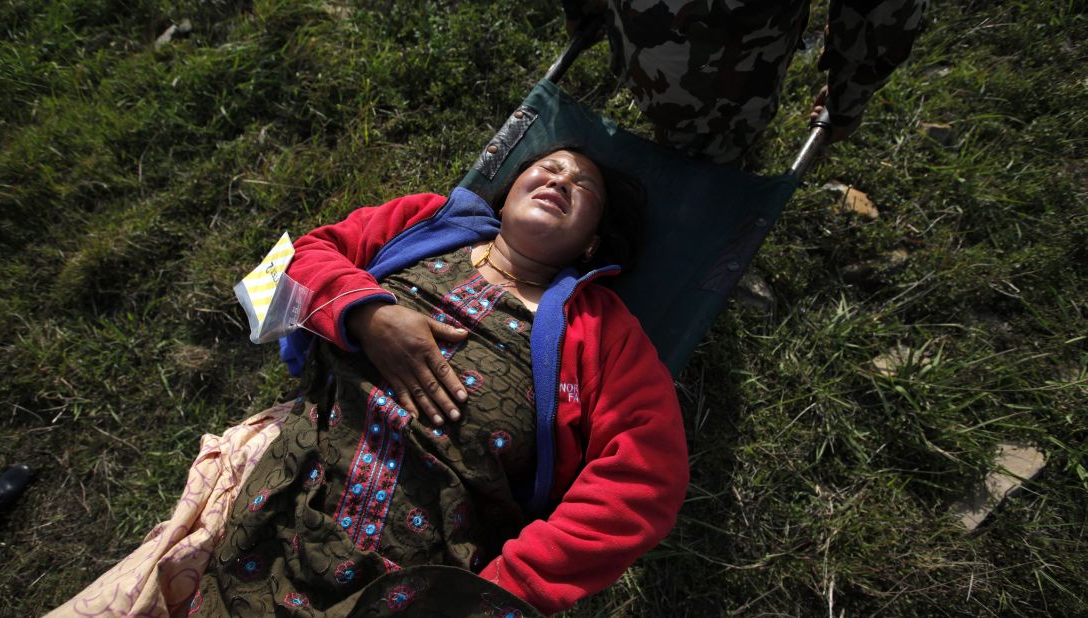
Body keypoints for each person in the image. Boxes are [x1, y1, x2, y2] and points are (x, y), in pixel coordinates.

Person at [50, 148, 688, 617]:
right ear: (508, 190)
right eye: (549, 166)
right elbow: (288, 265)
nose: (561, 178)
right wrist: (368, 314)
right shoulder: (429, 224)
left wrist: (512, 584)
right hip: (288, 493)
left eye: (584, 187)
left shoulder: (601, 328)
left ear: (591, 244)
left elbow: (646, 475)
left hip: (422, 564)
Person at [562, 0, 928, 164]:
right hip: (718, 82)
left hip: (706, 67)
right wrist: (849, 97)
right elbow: (885, 15)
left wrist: (581, 8)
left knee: (703, 157)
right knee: (707, 150)